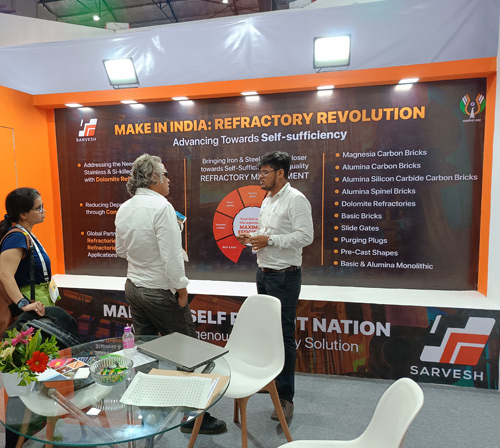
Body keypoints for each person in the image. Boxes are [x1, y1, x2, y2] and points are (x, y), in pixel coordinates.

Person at [115, 153, 226, 435]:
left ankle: (149, 411)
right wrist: (182, 288)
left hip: (133, 286)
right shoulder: (162, 207)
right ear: (153, 178)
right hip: (160, 290)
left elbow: (120, 250)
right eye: (164, 174)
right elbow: (172, 257)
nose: (169, 179)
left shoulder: (125, 208)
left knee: (145, 350)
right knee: (188, 352)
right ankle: (193, 419)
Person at [237, 151, 314, 422]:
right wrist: (253, 238)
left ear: (280, 173)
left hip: (285, 277)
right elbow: (270, 235)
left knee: (283, 335)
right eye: (260, 171)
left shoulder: (296, 199)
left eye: (265, 172)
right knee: (267, 334)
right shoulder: (268, 199)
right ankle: (270, 383)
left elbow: (306, 236)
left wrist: (269, 240)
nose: (260, 176)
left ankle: (285, 397)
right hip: (264, 273)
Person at [0, 188, 50, 328]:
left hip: (37, 303)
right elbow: (4, 274)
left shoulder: (26, 234)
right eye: (38, 208)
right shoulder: (16, 237)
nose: (43, 211)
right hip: (29, 304)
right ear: (23, 214)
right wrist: (23, 303)